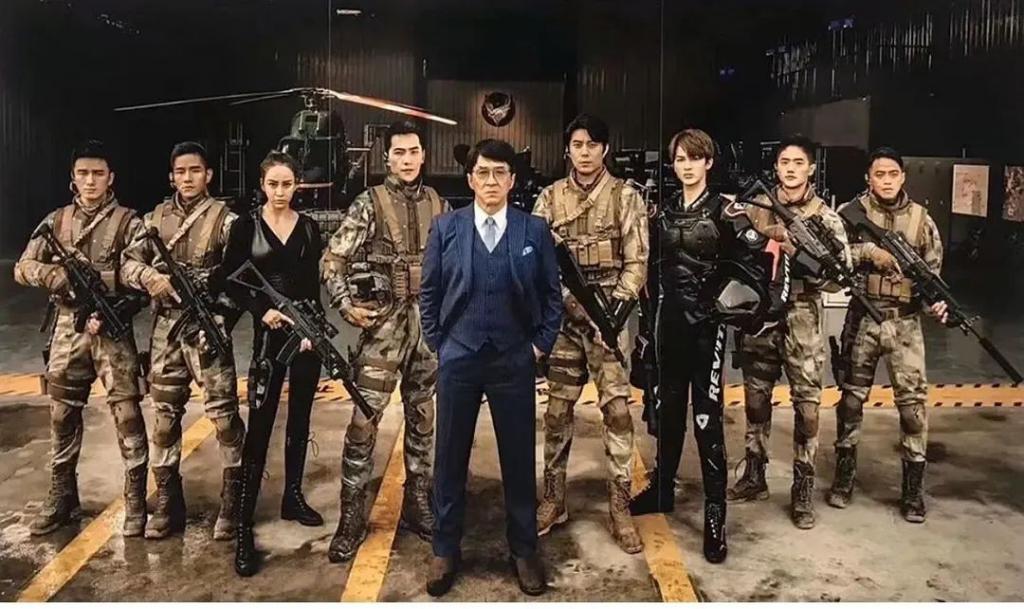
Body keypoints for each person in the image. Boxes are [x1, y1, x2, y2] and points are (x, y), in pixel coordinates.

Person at [419, 138, 562, 596]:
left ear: (513, 180)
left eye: (500, 172)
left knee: (518, 458)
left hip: (513, 357)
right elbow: (429, 292)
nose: (491, 181)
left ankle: (523, 550)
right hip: (459, 356)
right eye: (483, 172)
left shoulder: (533, 229)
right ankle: (445, 548)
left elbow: (552, 296)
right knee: (449, 457)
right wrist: (440, 344)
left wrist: (538, 347)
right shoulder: (446, 228)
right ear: (470, 179)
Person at [629, 128, 773, 564]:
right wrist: (646, 328)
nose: (686, 166)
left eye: (694, 158)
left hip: (707, 332)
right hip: (668, 328)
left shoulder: (728, 212)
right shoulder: (662, 213)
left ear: (708, 162)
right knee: (667, 414)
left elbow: (757, 269)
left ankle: (715, 514)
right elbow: (648, 273)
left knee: (707, 422)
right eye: (680, 159)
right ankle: (662, 489)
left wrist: (728, 307)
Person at [321, 120, 448, 562]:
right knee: (363, 422)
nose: (407, 160)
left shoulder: (439, 203)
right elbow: (332, 259)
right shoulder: (369, 203)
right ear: (387, 158)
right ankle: (351, 517)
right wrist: (345, 306)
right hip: (383, 330)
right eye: (399, 152)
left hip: (427, 331)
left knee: (423, 418)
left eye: (414, 151)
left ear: (423, 156)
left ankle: (418, 503)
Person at [14, 140, 149, 537]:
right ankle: (62, 495)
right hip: (67, 328)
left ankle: (136, 497)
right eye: (83, 174)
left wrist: (110, 287)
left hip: (111, 327)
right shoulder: (56, 222)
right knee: (61, 413)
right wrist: (52, 275)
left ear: (111, 178)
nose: (91, 181)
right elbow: (22, 267)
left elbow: (140, 275)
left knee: (127, 412)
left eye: (98, 174)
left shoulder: (128, 223)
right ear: (73, 178)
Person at [531, 113, 648, 553]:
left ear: (605, 150)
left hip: (608, 324)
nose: (584, 152)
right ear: (568, 150)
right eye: (577, 145)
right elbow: (537, 260)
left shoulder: (625, 198)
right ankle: (553, 499)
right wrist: (569, 302)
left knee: (617, 413)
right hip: (564, 322)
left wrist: (612, 313)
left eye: (592, 145)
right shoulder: (549, 199)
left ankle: (619, 506)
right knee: (557, 412)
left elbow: (637, 262)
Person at [120, 141, 245, 540]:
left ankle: (233, 501)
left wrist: (221, 317)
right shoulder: (153, 219)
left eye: (195, 171)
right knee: (163, 418)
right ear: (171, 177)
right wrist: (149, 277)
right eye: (180, 172)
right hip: (167, 331)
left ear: (208, 175)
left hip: (208, 328)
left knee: (224, 418)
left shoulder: (226, 220)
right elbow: (127, 264)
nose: (187, 178)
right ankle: (168, 502)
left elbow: (242, 277)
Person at [728, 135, 851, 529]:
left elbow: (840, 276)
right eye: (785, 162)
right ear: (776, 167)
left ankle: (803, 488)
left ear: (811, 168)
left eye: (799, 163)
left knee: (807, 405)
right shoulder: (758, 206)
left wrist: (803, 257)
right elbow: (735, 250)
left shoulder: (826, 218)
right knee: (756, 397)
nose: (792, 169)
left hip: (802, 313)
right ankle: (755, 475)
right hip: (762, 312)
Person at [219, 151, 325, 576]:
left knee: (300, 419)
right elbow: (228, 278)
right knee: (260, 426)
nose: (280, 192)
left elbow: (312, 286)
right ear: (262, 185)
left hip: (303, 337)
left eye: (287, 184)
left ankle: (292, 497)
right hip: (268, 337)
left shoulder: (310, 228)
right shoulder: (245, 227)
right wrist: (260, 310)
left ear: (297, 185)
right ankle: (244, 523)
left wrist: (313, 333)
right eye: (273, 184)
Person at [829, 146, 947, 523]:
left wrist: (935, 305)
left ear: (903, 177)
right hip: (863, 318)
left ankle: (912, 492)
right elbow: (832, 254)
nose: (886, 181)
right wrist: (867, 252)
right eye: (879, 174)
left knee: (913, 408)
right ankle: (844, 478)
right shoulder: (850, 213)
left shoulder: (921, 220)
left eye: (893, 174)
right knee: (851, 400)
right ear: (868, 177)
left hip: (905, 323)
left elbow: (932, 275)